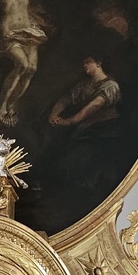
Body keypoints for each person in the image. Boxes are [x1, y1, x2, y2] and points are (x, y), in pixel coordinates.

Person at [48, 55, 123, 193]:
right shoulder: (84, 85)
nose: (85, 65)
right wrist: (53, 115)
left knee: (85, 163)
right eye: (84, 63)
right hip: (85, 129)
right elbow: (65, 99)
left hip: (105, 131)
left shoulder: (111, 86)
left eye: (88, 62)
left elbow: (94, 105)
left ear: (99, 63)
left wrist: (70, 121)